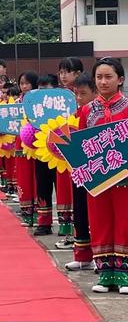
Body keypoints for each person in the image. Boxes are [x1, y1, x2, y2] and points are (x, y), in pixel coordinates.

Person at [78, 58, 128, 294]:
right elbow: (80, 141)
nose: (103, 82)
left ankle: (125, 275)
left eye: (108, 77)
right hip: (97, 179)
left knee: (125, 222)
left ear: (120, 80)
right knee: (99, 222)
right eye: (99, 77)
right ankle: (106, 274)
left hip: (125, 179)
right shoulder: (87, 110)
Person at [65, 73, 96, 271]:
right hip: (80, 170)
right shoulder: (78, 113)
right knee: (81, 211)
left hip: (101, 170)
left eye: (83, 93)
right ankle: (82, 254)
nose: (78, 98)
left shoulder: (95, 111)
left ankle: (100, 257)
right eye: (76, 94)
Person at [55, 57, 84, 249]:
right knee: (64, 191)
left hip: (81, 152)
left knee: (79, 196)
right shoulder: (56, 96)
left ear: (79, 74)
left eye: (68, 71)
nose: (63, 75)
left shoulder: (83, 95)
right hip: (61, 150)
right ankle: (69, 234)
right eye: (61, 71)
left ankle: (80, 236)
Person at [33, 74, 59, 236]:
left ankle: (67, 225)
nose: (43, 93)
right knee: (42, 186)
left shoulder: (65, 104)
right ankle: (44, 222)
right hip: (42, 151)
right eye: (40, 89)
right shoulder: (35, 106)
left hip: (61, 153)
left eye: (47, 89)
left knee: (63, 189)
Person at [16, 71, 39, 226]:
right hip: (19, 143)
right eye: (21, 83)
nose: (24, 86)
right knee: (23, 177)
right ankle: (26, 213)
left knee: (36, 179)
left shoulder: (38, 101)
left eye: (27, 83)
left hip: (35, 145)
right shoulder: (16, 102)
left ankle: (38, 214)